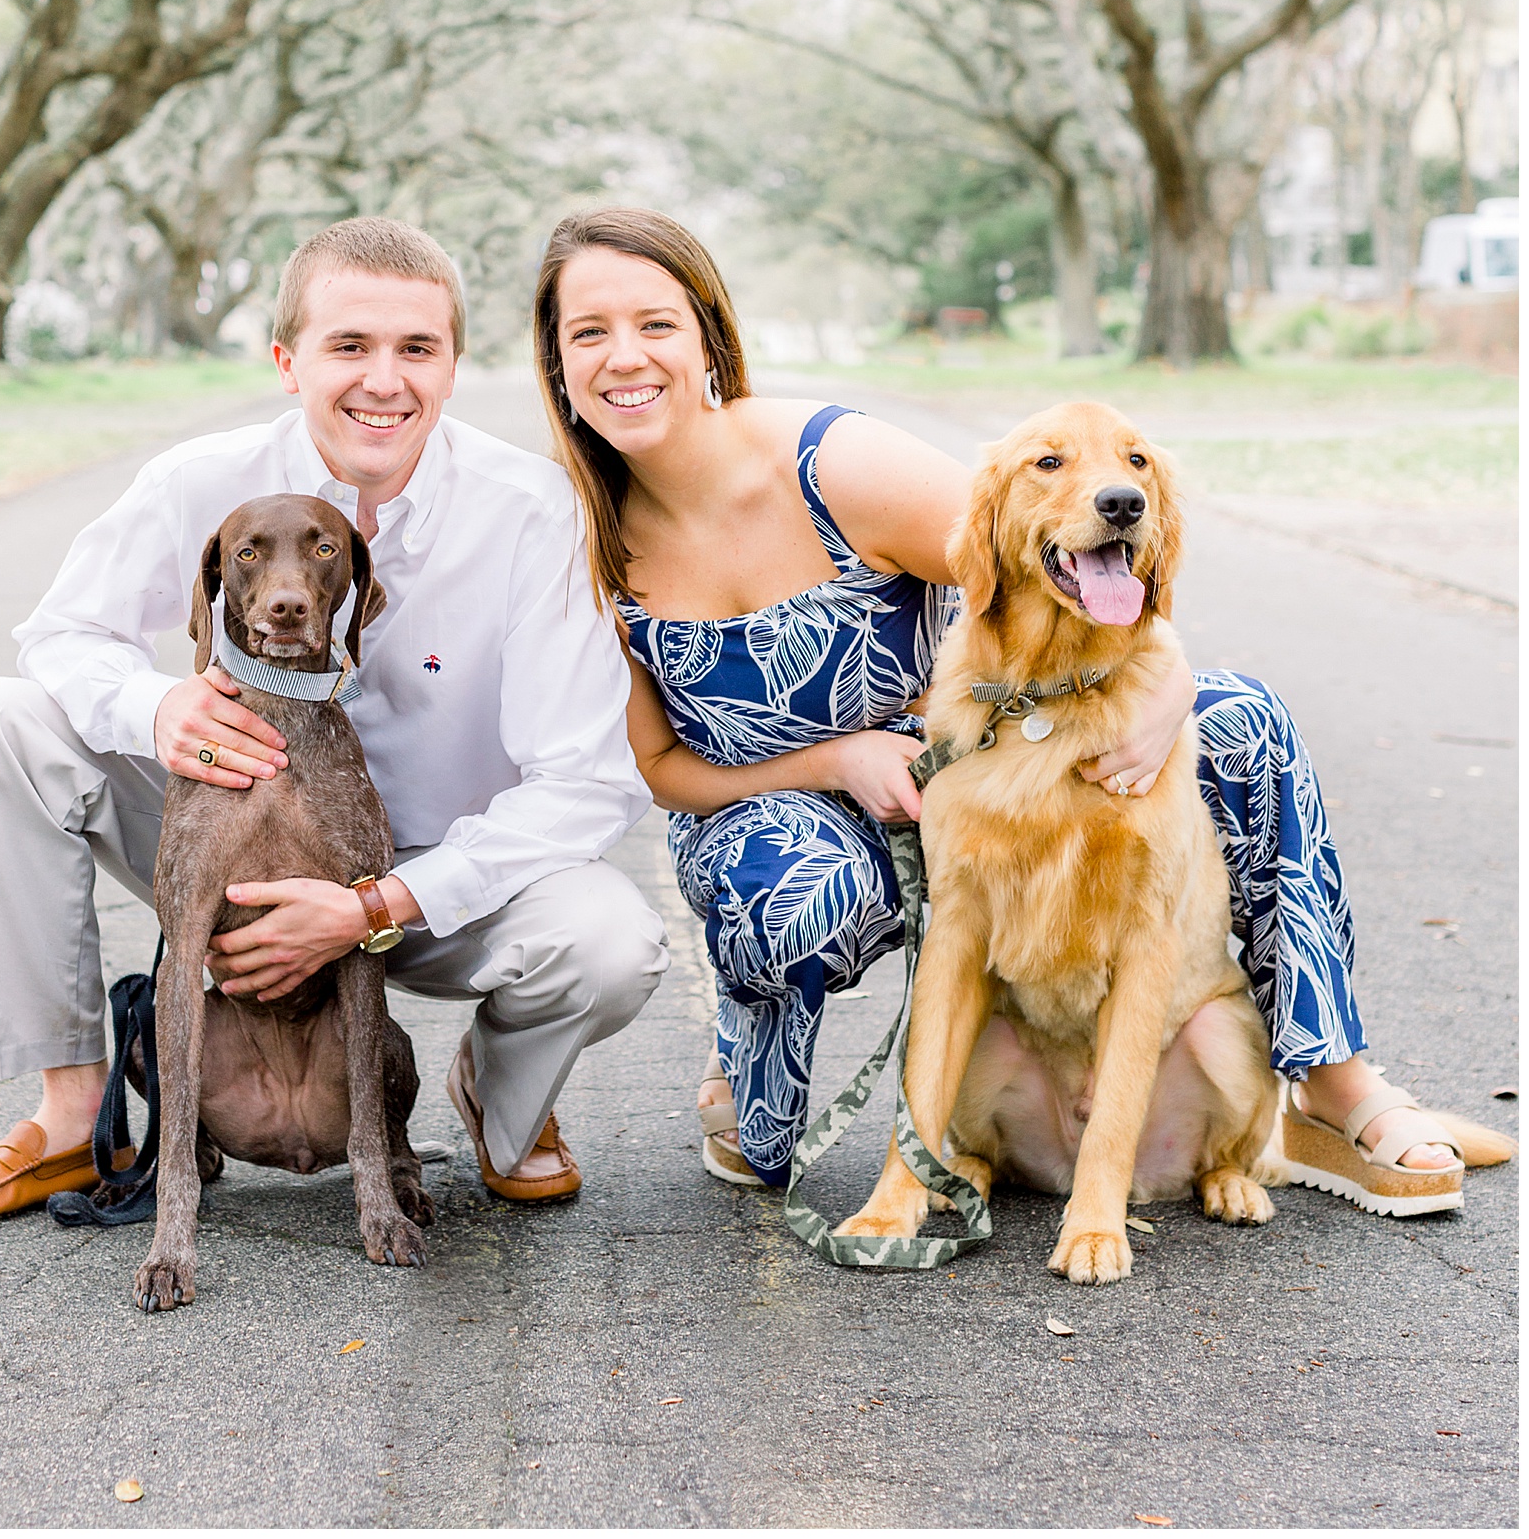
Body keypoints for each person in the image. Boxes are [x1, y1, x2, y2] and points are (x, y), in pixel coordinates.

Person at [532, 202, 1509, 1208]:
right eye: (589, 332)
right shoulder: (587, 539)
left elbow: (1058, 538)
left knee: (1240, 717)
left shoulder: (836, 465)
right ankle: (756, 1053)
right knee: (788, 907)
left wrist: (1168, 678)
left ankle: (1333, 1080)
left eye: (655, 322)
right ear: (557, 364)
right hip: (775, 812)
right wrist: (835, 761)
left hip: (967, 773)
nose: (625, 356)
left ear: (708, 335)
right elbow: (662, 768)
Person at [0, 217, 667, 1226]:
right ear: (286, 359)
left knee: (609, 937)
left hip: (433, 881)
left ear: (453, 364)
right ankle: (73, 1111)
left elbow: (585, 782)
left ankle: (501, 1091)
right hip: (231, 849)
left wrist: (376, 903)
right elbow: (60, 633)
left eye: (416, 349)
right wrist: (159, 703)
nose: (384, 380)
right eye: (349, 345)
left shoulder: (533, 513)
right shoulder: (199, 482)